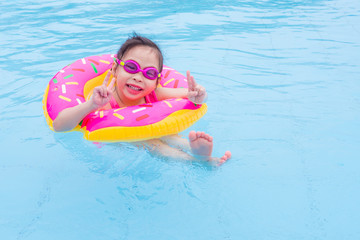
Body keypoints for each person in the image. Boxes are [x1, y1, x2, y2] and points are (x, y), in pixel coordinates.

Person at [53, 33, 231, 164]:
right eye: (131, 67)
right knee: (150, 142)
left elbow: (190, 97)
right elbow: (59, 126)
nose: (138, 77)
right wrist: (91, 105)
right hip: (122, 141)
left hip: (148, 133)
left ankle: (195, 150)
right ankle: (194, 160)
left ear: (157, 81)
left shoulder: (154, 93)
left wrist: (200, 95)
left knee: (170, 135)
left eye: (149, 73)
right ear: (115, 69)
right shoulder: (104, 100)